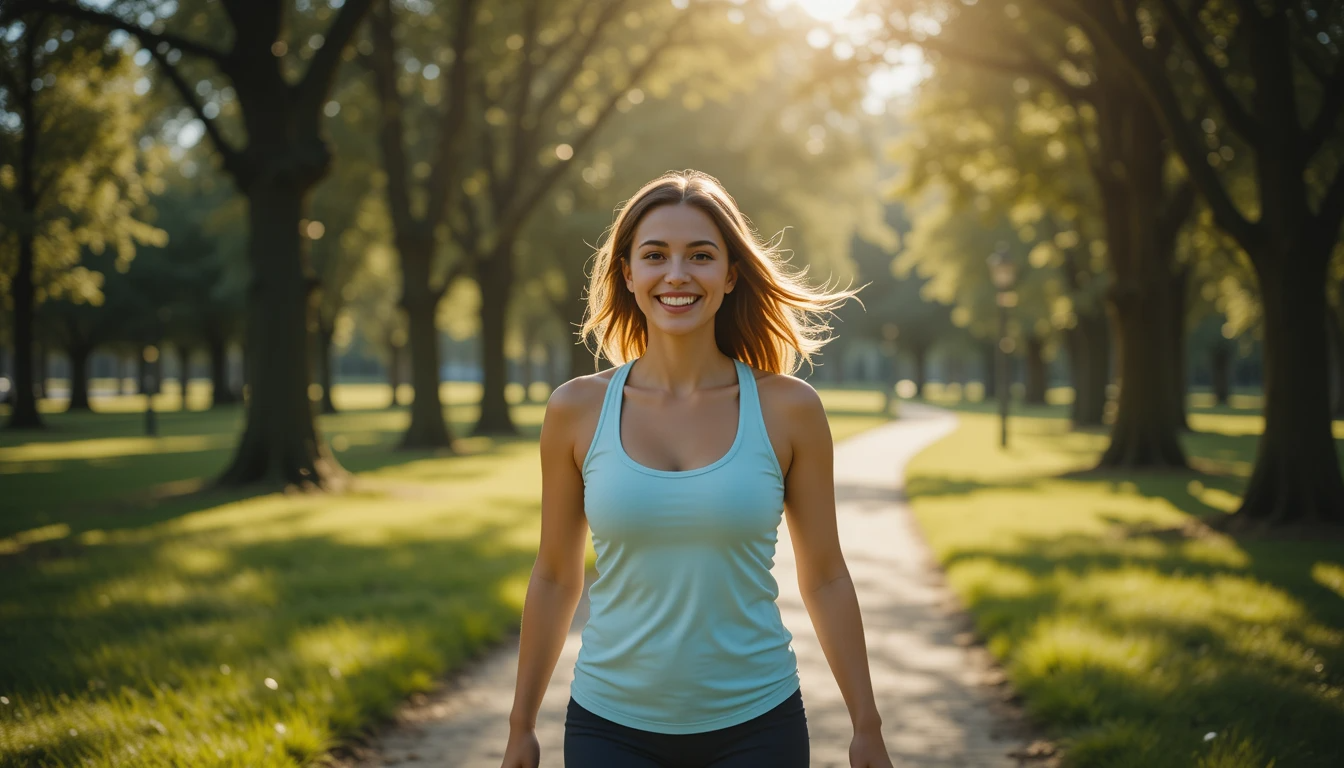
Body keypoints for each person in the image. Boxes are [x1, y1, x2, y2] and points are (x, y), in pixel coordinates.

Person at [500, 170, 894, 768]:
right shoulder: (575, 410)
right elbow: (555, 575)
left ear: (730, 274)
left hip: (758, 726)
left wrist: (867, 725)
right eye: (655, 255)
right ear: (627, 274)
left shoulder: (789, 410)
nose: (677, 274)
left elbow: (826, 577)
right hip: (609, 728)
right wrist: (520, 727)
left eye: (701, 256)